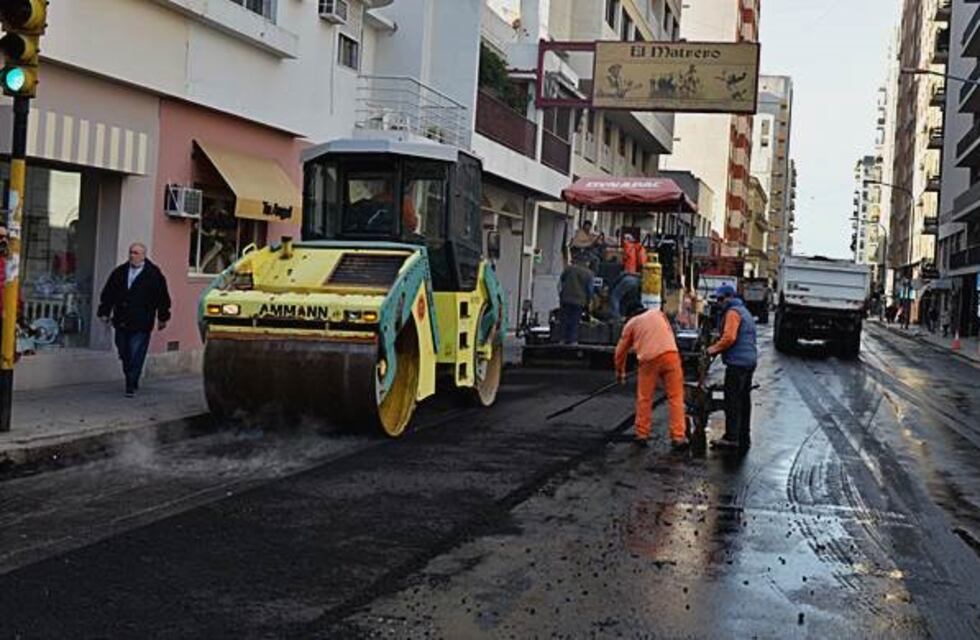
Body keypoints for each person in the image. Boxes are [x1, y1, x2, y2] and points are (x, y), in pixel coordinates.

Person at [98, 243, 171, 397]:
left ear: (144, 255)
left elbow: (162, 297)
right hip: (122, 319)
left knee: (135, 351)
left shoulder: (153, 274)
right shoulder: (120, 272)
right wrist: (104, 311)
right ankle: (130, 374)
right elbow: (109, 293)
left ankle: (131, 382)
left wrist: (163, 317)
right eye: (131, 252)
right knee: (123, 350)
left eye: (137, 253)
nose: (133, 255)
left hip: (142, 321)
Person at [615, 304, 688, 450]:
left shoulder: (631, 323)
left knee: (645, 398)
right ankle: (678, 436)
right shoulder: (658, 313)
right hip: (671, 355)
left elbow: (620, 352)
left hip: (649, 360)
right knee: (676, 397)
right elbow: (668, 333)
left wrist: (620, 373)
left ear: (630, 315)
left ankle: (642, 434)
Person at [707, 284, 758, 453]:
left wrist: (712, 349)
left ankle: (731, 437)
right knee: (744, 400)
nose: (719, 302)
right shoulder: (745, 311)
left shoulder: (733, 313)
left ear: (729, 297)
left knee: (733, 400)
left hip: (737, 363)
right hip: (749, 362)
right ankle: (744, 435)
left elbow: (729, 337)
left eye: (721, 299)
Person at [557, 256, 594, 344]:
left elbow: (560, 283)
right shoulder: (589, 273)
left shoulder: (568, 269)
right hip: (579, 301)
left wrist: (561, 295)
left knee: (564, 319)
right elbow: (590, 290)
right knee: (574, 320)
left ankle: (562, 339)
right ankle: (572, 340)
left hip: (565, 299)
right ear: (586, 263)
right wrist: (589, 301)